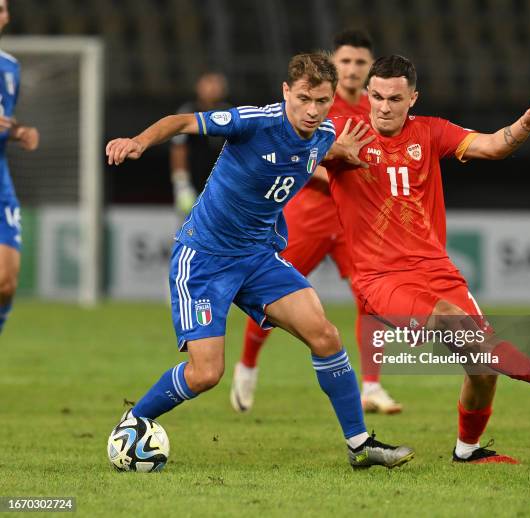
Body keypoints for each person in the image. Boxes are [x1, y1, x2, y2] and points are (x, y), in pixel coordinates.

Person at [106, 53, 413, 470]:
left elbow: (320, 153)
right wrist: (139, 141)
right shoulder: (253, 122)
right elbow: (181, 123)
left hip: (257, 257)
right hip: (205, 259)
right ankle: (137, 418)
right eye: (304, 98)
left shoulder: (322, 133)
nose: (312, 110)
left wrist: (346, 155)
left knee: (324, 334)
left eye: (322, 101)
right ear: (286, 92)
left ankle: (360, 445)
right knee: (206, 374)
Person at [325, 55, 530, 464]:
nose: (384, 107)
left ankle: (468, 451)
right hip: (381, 278)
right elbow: (293, 157)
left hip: (438, 270)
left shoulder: (429, 131)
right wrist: (331, 152)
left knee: (482, 369)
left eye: (394, 98)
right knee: (450, 318)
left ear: (413, 98)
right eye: (376, 96)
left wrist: (523, 127)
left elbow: (493, 145)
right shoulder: (342, 134)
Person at [231, 30, 403, 415]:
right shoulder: (317, 105)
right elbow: (296, 161)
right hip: (305, 217)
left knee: (371, 298)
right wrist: (346, 174)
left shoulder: (377, 112)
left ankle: (372, 385)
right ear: (333, 66)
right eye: (345, 61)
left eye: (360, 62)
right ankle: (247, 365)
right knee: (271, 298)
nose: (353, 69)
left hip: (351, 225)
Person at [0, 0, 40, 335]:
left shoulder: (10, 67)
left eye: (1, 8)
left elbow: (3, 124)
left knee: (6, 282)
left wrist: (19, 132)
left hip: (1, 180)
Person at [170, 72, 229, 215]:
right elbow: (178, 148)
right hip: (194, 183)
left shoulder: (230, 113)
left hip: (223, 184)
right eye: (209, 83)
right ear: (199, 87)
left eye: (217, 84)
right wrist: (181, 183)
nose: (213, 88)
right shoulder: (188, 112)